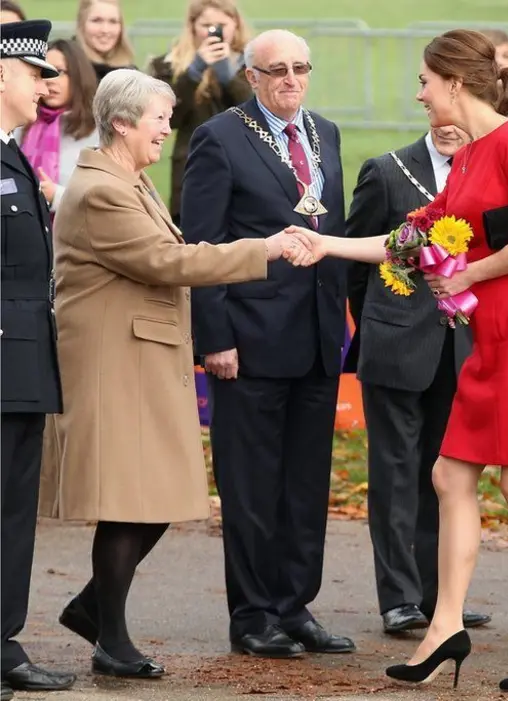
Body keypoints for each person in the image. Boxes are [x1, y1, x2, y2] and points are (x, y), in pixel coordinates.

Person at [286, 28, 508, 694]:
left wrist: (468, 276)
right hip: (491, 339)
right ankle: (444, 626)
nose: (420, 94)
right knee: (450, 475)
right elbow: (410, 236)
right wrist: (325, 245)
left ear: (456, 83)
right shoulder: (469, 157)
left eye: (427, 82)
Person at [40, 68, 311, 678]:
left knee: (157, 497)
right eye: (160, 117)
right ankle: (110, 635)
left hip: (141, 359)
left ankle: (93, 609)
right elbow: (165, 259)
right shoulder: (103, 189)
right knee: (130, 502)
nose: (169, 127)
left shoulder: (125, 178)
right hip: (116, 364)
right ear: (122, 122)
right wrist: (263, 248)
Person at [181, 29, 354, 659]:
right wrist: (214, 338)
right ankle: (253, 615)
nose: (290, 79)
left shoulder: (325, 133)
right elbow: (201, 248)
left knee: (306, 483)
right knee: (252, 485)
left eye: (300, 68)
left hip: (315, 336)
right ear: (251, 76)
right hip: (248, 341)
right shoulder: (220, 138)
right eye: (276, 69)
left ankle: (294, 605)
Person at [345, 122, 490, 635]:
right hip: (395, 348)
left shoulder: (485, 172)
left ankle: (440, 595)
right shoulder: (386, 171)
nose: (450, 125)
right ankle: (399, 598)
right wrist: (381, 327)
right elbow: (356, 265)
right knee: (395, 474)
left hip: (460, 346)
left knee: (448, 475)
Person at [0, 20, 77, 701]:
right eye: (33, 74)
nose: (45, 87)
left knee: (13, 510)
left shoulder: (14, 154)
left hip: (22, 365)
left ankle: (3, 639)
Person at [149, 0, 252, 226]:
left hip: (245, 166)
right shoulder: (168, 65)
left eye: (221, 24)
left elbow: (256, 112)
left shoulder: (252, 65)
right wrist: (194, 72)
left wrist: (228, 77)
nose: (213, 30)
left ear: (235, 24)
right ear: (192, 26)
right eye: (206, 24)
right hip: (192, 167)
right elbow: (167, 118)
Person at [18, 39, 99, 215]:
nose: (51, 81)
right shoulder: (22, 123)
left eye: (59, 72)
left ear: (78, 75)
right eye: (45, 72)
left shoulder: (98, 131)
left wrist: (56, 196)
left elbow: (105, 199)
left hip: (74, 235)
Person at [75, 0, 136, 82]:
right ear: (81, 24)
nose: (105, 30)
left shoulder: (132, 75)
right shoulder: (69, 69)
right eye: (97, 21)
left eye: (113, 21)